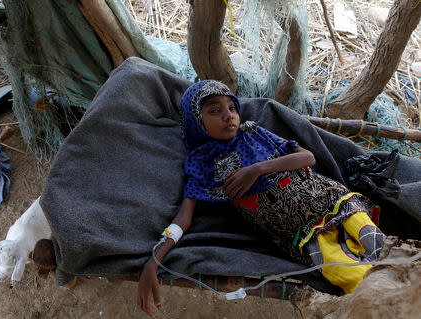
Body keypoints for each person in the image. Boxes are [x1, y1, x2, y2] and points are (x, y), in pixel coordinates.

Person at [137, 80, 385, 315]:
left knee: (379, 248)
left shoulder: (253, 133)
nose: (228, 115)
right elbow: (183, 219)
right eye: (215, 110)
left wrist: (257, 169)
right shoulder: (202, 166)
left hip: (332, 200)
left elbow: (308, 157)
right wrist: (154, 261)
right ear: (195, 121)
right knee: (352, 277)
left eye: (232, 107)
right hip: (302, 233)